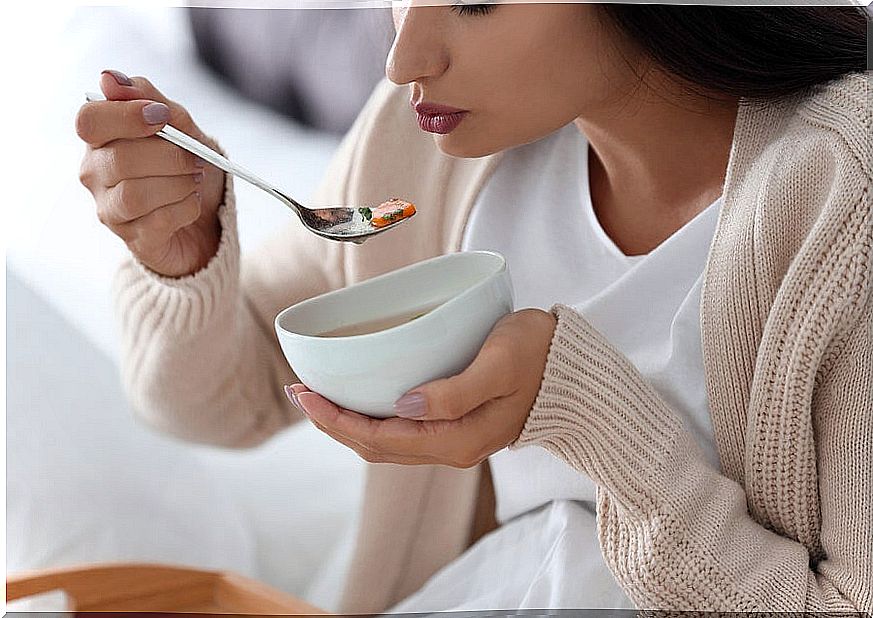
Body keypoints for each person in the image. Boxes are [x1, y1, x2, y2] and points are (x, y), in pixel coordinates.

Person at [75, 4, 870, 614]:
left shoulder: (846, 197)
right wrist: (183, 254)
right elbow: (218, 405)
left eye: (475, 0)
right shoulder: (424, 140)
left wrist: (584, 412)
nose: (402, 58)